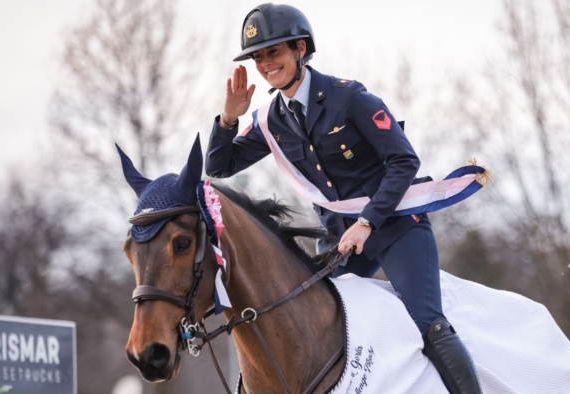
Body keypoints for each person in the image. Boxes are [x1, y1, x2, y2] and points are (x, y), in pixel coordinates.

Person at [205, 4, 482, 393]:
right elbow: (219, 168)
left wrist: (367, 221)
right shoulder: (272, 120)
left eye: (274, 52)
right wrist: (228, 120)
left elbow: (404, 162)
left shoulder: (347, 98)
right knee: (316, 326)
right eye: (258, 57)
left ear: (300, 49)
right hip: (340, 239)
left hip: (395, 227)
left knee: (427, 323)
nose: (266, 64)